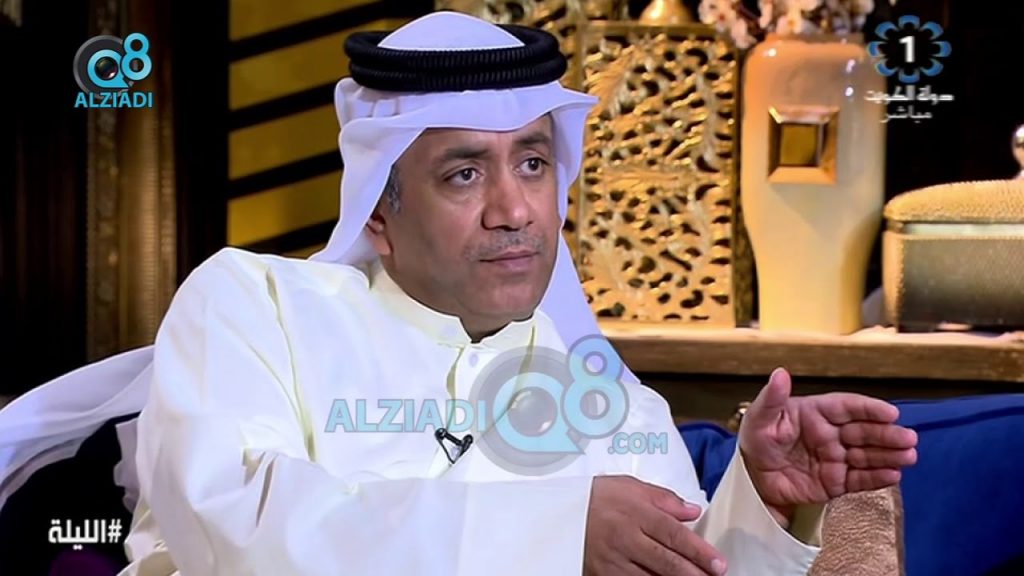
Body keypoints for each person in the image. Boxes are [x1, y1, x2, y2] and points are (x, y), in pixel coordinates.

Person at [2, 11, 917, 576]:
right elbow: (238, 532)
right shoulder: (255, 306)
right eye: (464, 174)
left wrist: (763, 502)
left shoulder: (599, 391)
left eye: (533, 164)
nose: (515, 209)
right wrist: (557, 535)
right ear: (380, 208)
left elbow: (685, 566)